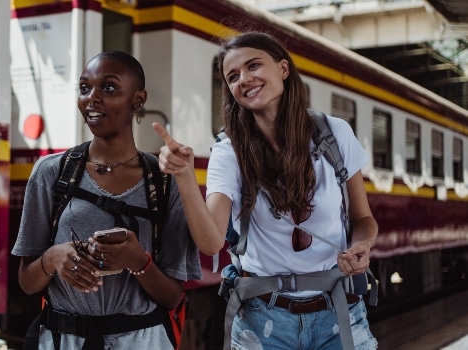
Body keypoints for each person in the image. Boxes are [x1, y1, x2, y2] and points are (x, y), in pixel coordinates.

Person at [152, 32, 378, 349]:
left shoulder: (334, 133)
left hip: (338, 313)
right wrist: (185, 176)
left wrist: (361, 246)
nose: (244, 79)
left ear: (283, 69)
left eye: (254, 65)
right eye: (233, 76)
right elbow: (211, 240)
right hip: (263, 320)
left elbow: (362, 217)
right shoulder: (229, 151)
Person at [12, 51, 201, 350]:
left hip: (143, 340)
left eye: (108, 88)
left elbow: (172, 296)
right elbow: (26, 282)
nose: (91, 98)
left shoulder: (165, 181)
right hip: (65, 339)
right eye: (85, 88)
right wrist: (53, 258)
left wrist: (137, 261)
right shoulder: (51, 172)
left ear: (138, 100)